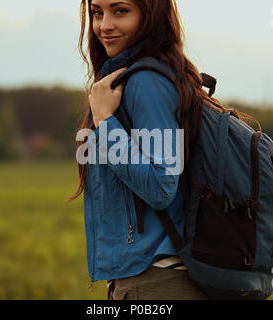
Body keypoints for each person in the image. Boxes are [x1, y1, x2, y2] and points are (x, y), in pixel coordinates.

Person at [70, 0, 226, 300]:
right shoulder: (136, 78)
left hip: (157, 282)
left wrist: (104, 121)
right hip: (147, 278)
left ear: (150, 15)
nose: (104, 26)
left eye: (120, 11)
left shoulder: (147, 83)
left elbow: (159, 186)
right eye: (97, 12)